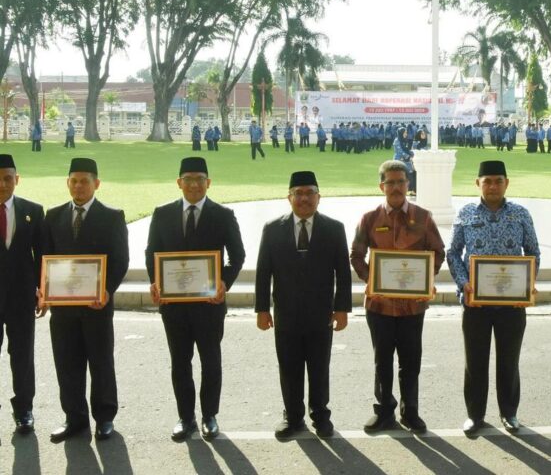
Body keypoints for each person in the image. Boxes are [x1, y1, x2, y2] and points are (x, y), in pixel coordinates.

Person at [146, 157, 246, 441]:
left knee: (211, 360)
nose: (193, 184)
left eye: (199, 179)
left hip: (209, 305)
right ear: (179, 183)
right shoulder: (162, 213)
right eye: (187, 179)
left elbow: (237, 256)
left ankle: (209, 416)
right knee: (180, 361)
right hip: (173, 304)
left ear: (208, 183)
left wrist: (223, 283)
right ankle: (185, 417)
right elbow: (152, 252)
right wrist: (156, 282)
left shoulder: (223, 215)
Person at [350, 160, 445, 434]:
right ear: (381, 186)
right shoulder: (369, 219)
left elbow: (438, 252)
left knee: (410, 360)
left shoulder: (423, 217)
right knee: (382, 360)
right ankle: (384, 411)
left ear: (408, 184)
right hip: (379, 304)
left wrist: (425, 280)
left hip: (413, 306)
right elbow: (356, 255)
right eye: (390, 182)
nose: (395, 187)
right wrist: (373, 281)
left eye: (400, 181)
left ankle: (410, 411)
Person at [255, 171, 352, 439]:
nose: (304, 198)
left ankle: (321, 416)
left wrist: (342, 308)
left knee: (320, 368)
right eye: (298, 193)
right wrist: (262, 309)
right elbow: (264, 272)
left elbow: (343, 272)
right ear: (289, 198)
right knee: (289, 368)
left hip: (321, 314)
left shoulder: (334, 229)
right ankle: (293, 417)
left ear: (319, 197)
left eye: (310, 193)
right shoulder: (272, 229)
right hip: (285, 314)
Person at [447, 160, 540, 435]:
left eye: (498, 180)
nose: (493, 186)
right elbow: (453, 253)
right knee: (475, 361)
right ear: (478, 183)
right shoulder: (465, 212)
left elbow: (533, 252)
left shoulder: (521, 213)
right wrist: (464, 284)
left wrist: (527, 285)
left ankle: (509, 413)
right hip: (476, 302)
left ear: (507, 183)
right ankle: (475, 415)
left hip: (512, 303)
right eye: (487, 181)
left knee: (509, 360)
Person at [41, 158, 129, 442]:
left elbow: (120, 260)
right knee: (67, 363)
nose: (79, 186)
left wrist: (107, 290)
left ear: (97, 184)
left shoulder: (112, 216)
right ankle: (74, 418)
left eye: (85, 181)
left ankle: (104, 418)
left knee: (101, 362)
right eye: (74, 181)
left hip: (97, 305)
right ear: (68, 183)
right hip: (63, 308)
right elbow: (45, 259)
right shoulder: (52, 216)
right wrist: (42, 290)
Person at [0, 154, 44, 436]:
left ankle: (24, 409)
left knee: (22, 355)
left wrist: (44, 291)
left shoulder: (33, 210)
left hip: (21, 298)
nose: (2, 184)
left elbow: (42, 256)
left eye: (7, 178)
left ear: (17, 179)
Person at [393, 128, 416, 196]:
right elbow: (400, 151)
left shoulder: (403, 140)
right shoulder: (397, 141)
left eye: (406, 132)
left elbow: (406, 149)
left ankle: (411, 190)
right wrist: (408, 156)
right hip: (399, 161)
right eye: (405, 132)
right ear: (401, 133)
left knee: (410, 174)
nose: (406, 134)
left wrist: (412, 153)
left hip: (406, 161)